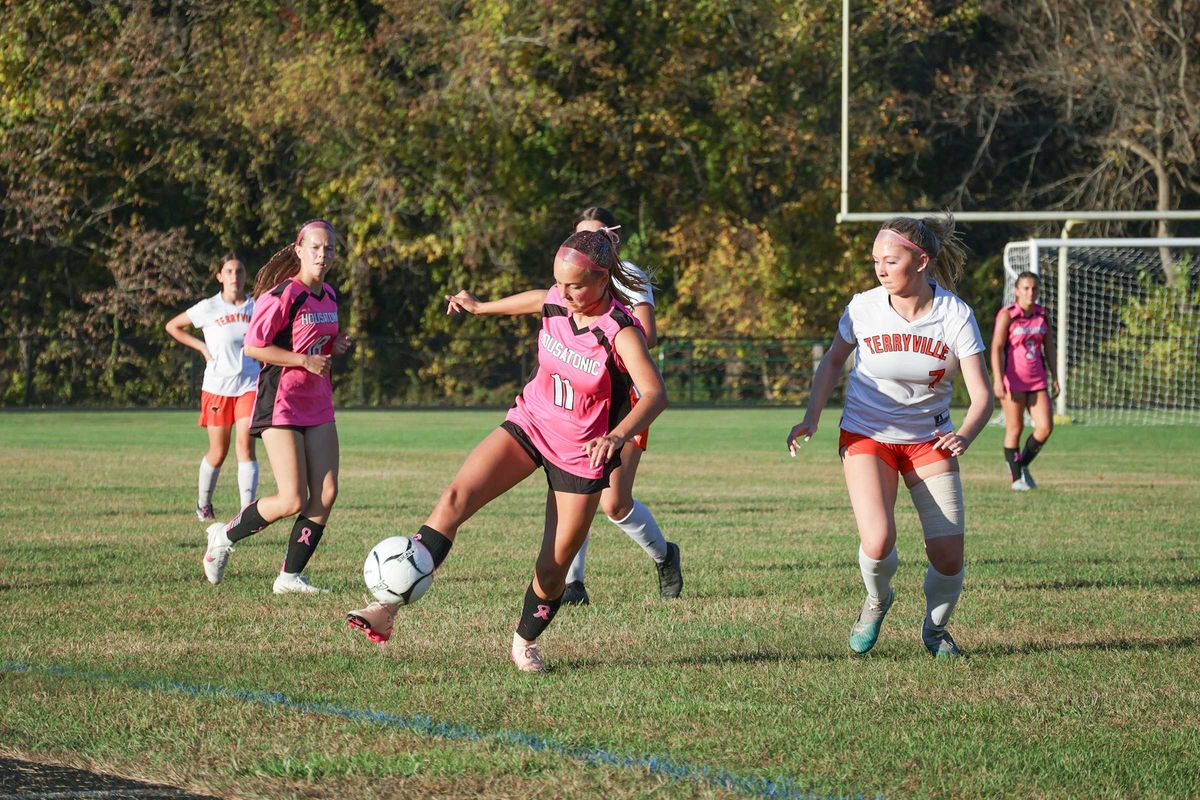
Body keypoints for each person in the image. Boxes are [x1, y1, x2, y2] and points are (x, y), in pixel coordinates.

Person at [347, 228, 669, 673]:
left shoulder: (620, 331)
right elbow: (536, 297)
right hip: (531, 424)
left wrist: (616, 436)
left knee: (553, 570)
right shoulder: (557, 299)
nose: (566, 292)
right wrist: (479, 307)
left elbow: (655, 394)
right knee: (454, 499)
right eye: (561, 282)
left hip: (580, 454)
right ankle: (385, 609)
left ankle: (524, 642)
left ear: (603, 280)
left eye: (576, 285)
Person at [787, 215, 993, 659]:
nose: (880, 269)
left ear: (922, 262)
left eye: (891, 260)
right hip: (867, 433)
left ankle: (935, 631)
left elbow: (982, 397)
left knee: (948, 556)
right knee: (878, 541)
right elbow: (831, 363)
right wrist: (811, 417)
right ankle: (877, 599)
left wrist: (966, 435)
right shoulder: (863, 307)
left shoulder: (954, 315)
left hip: (929, 439)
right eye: (876, 260)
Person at [201, 220, 352, 595]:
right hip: (280, 401)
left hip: (318, 401)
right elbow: (254, 347)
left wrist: (335, 350)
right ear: (298, 250)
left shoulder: (330, 294)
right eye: (315, 248)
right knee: (292, 498)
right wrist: (303, 361)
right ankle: (223, 534)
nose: (322, 255)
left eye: (329, 249)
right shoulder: (283, 294)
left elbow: (317, 348)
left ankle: (288, 577)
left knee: (327, 493)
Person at [165, 254, 261, 521]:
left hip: (249, 385)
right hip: (218, 387)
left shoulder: (256, 306)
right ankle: (203, 504)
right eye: (228, 271)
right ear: (219, 276)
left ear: (245, 275)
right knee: (218, 452)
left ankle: (247, 513)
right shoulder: (209, 307)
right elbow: (172, 326)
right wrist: (201, 348)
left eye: (239, 270)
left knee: (246, 446)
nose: (234, 276)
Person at [991, 271, 1058, 491]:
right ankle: (1016, 479)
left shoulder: (1042, 315)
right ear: (1017, 291)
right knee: (1015, 427)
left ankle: (1020, 465)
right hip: (1014, 381)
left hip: (1038, 381)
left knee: (1045, 427)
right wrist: (998, 380)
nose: (1031, 293)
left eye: (1034, 289)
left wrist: (1055, 376)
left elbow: (1049, 348)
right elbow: (997, 348)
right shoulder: (1008, 315)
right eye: (1026, 288)